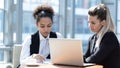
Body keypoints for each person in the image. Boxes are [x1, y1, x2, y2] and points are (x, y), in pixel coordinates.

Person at [84, 4, 120, 68]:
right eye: (89, 22)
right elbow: (87, 57)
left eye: (93, 23)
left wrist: (82, 61)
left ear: (103, 22)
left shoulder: (109, 37)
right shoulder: (92, 38)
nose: (89, 25)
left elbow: (96, 58)